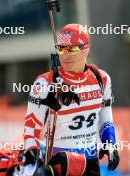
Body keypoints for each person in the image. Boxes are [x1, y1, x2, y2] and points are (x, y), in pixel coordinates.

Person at [23, 24, 119, 176]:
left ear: (85, 49)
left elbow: (105, 117)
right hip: (59, 163)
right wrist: (32, 154)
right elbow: (31, 127)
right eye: (61, 48)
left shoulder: (102, 79)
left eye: (72, 49)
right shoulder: (44, 83)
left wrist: (110, 143)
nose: (65, 55)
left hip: (90, 163)